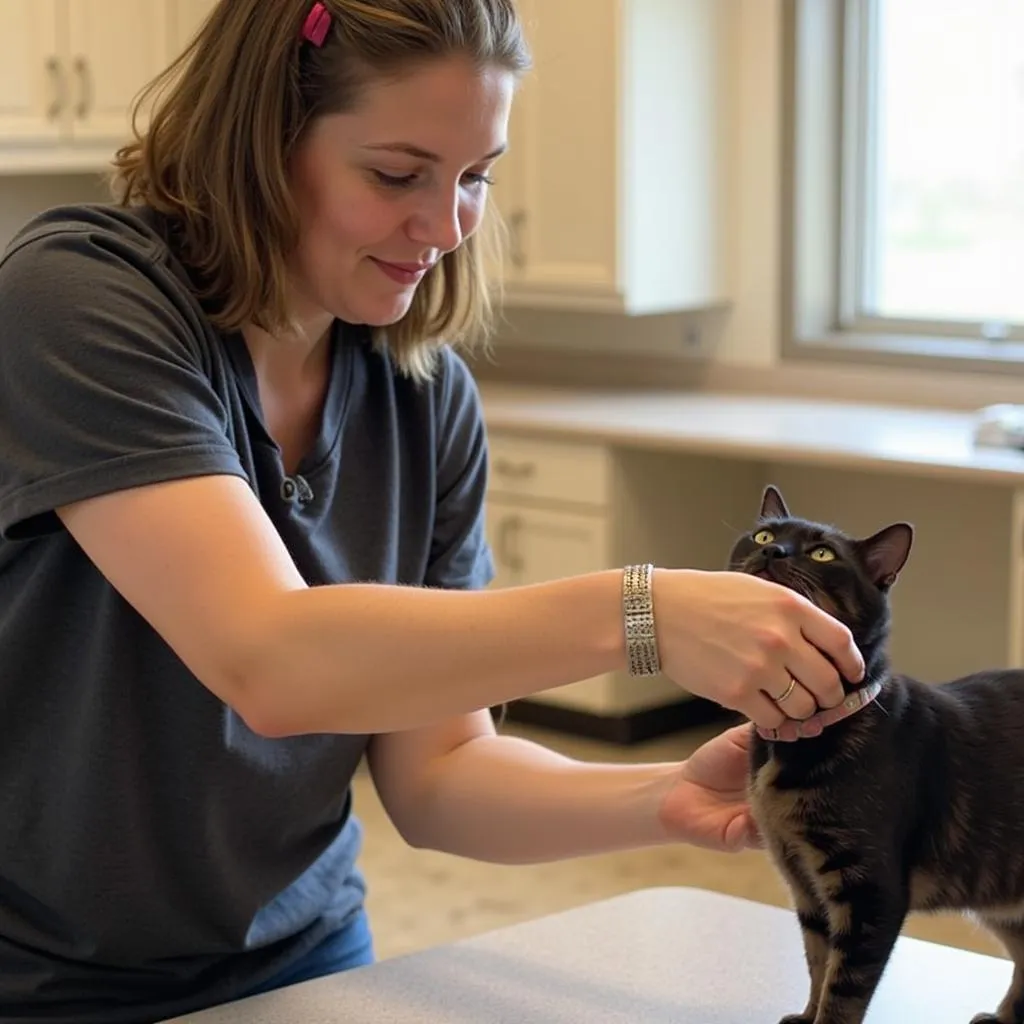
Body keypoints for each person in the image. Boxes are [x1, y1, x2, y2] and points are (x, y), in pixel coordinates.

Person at [0, 1, 864, 1021]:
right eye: (397, 173)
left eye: (476, 175)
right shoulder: (80, 299)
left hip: (306, 955)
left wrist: (669, 798)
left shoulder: (423, 395)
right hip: (49, 982)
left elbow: (440, 773)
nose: (447, 223)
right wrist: (647, 612)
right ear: (260, 138)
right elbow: (270, 659)